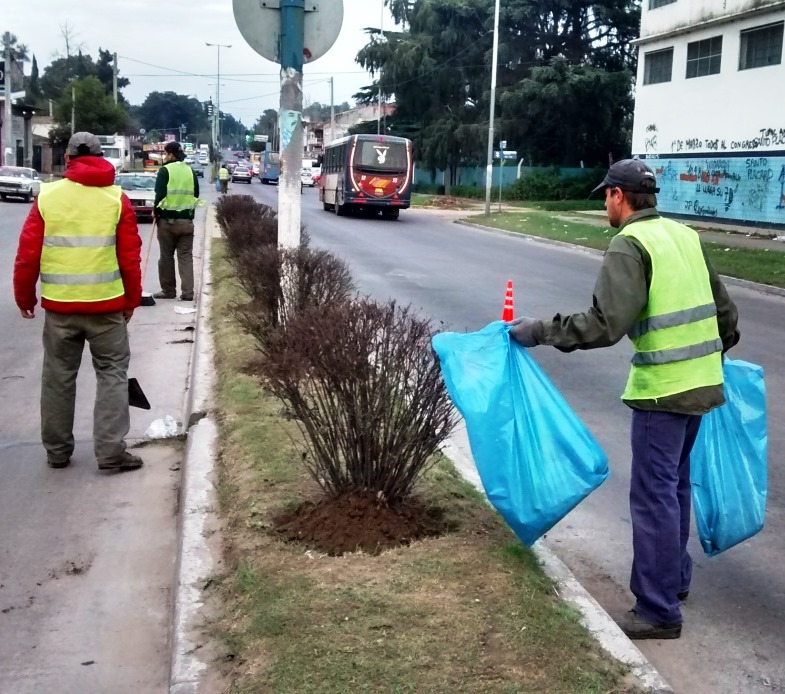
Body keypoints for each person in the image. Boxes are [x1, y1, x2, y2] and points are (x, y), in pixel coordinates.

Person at [510, 159, 739, 640]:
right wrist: (705, 358)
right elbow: (726, 317)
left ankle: (657, 611)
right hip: (701, 384)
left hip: (663, 392)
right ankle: (672, 582)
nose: (604, 204)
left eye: (605, 196)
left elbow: (603, 324)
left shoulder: (629, 244)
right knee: (674, 489)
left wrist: (538, 331)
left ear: (619, 195)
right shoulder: (685, 236)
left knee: (655, 497)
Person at [13, 131, 144, 472]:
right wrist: (131, 301)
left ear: (68, 157)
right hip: (107, 308)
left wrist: (25, 297)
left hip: (59, 309)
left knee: (58, 377)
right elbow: (129, 257)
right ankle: (111, 453)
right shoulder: (116, 199)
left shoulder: (48, 196)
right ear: (102, 157)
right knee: (112, 374)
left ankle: (57, 452)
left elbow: (28, 255)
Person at [153, 140, 200, 301]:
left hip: (167, 221)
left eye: (166, 153)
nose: (165, 157)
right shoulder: (190, 171)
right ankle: (188, 293)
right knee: (186, 257)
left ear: (170, 154)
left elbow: (159, 196)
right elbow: (196, 194)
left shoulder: (164, 171)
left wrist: (156, 213)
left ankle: (168, 290)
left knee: (166, 256)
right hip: (186, 222)